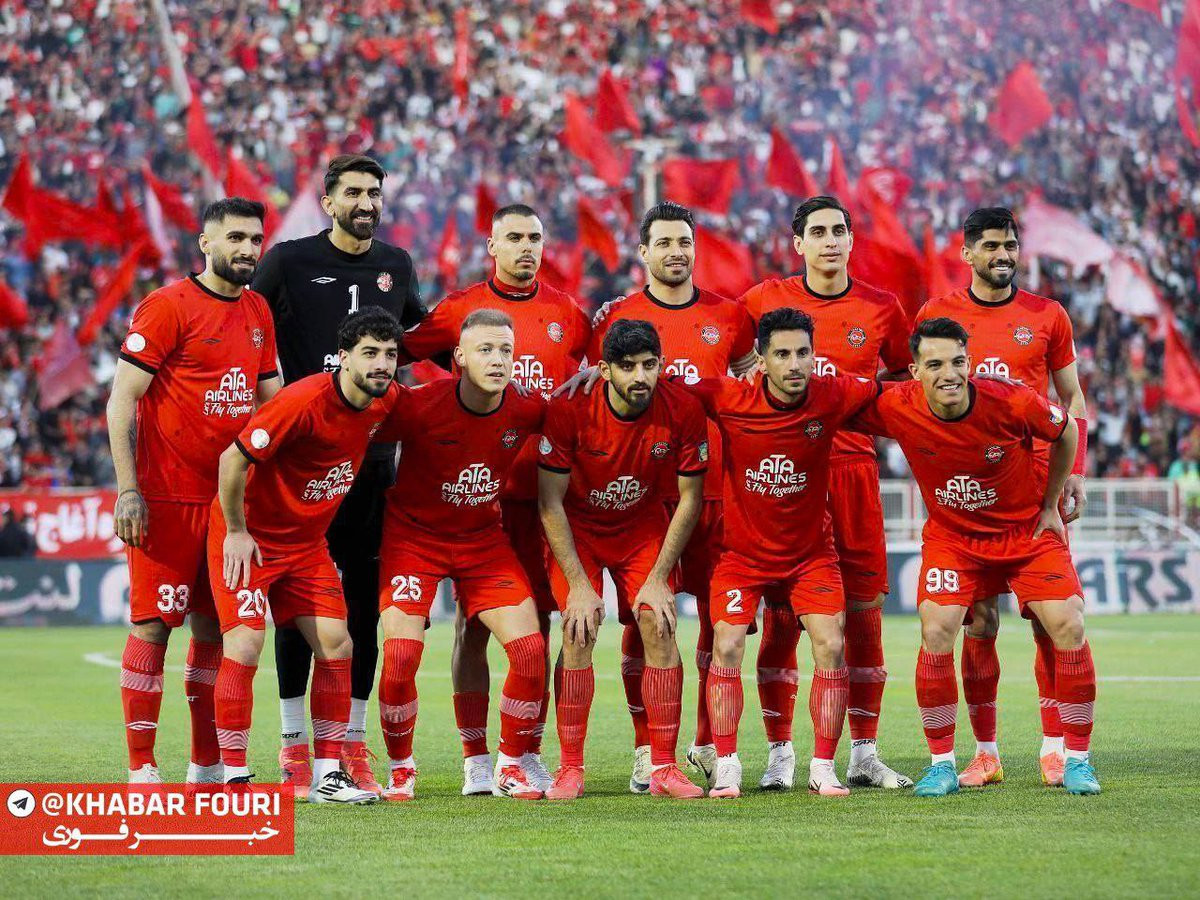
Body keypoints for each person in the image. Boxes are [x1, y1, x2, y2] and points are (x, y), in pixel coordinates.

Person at [849, 317, 1099, 797]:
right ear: (914, 371)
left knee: (1068, 623)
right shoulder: (896, 404)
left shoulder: (1011, 399)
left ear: (970, 362)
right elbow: (832, 399)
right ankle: (943, 764)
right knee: (937, 629)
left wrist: (1051, 504)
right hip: (955, 539)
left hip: (1025, 533)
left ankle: (1077, 760)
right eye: (935, 365)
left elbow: (1066, 430)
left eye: (958, 362)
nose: (949, 374)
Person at [397, 203, 591, 795]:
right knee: (472, 627)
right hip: (481, 502)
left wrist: (594, 376)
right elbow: (398, 354)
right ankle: (475, 758)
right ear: (492, 245)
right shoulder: (458, 309)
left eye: (535, 237)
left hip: (545, 498)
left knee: (542, 627)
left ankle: (525, 752)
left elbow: (596, 374)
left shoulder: (568, 313)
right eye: (514, 237)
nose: (526, 247)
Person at [251, 154, 427, 797]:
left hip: (373, 465)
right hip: (301, 466)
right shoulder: (288, 260)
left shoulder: (396, 265)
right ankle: (293, 744)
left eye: (374, 193)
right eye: (353, 192)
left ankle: (350, 743)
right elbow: (245, 326)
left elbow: (421, 337)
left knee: (358, 608)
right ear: (328, 202)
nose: (366, 202)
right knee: (299, 609)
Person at [577, 201, 758, 793]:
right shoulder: (616, 317)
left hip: (720, 491)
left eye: (685, 242)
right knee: (644, 622)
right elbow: (593, 389)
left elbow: (752, 386)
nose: (676, 252)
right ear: (643, 252)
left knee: (717, 622)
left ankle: (705, 742)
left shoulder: (729, 316)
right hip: (649, 500)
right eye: (664, 243)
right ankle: (645, 749)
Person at [737, 196, 913, 789]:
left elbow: (905, 380)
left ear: (851, 240)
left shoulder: (882, 307)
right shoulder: (762, 301)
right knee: (783, 617)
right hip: (784, 476)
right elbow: (721, 354)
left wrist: (866, 397)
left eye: (840, 230)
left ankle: (864, 752)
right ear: (799, 244)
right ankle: (780, 753)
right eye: (819, 232)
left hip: (853, 471)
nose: (831, 240)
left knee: (863, 616)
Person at [106, 198, 280, 787]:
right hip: (166, 500)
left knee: (213, 632)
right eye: (235, 237)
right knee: (154, 626)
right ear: (205, 243)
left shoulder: (258, 310)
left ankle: (205, 765)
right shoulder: (167, 306)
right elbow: (122, 401)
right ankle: (141, 766)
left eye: (255, 239)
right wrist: (128, 491)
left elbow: (272, 405)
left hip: (229, 506)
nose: (248, 249)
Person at [915, 207, 1088, 788]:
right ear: (967, 252)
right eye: (991, 246)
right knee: (979, 621)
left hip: (1036, 492)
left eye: (1010, 245)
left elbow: (1072, 398)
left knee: (1048, 619)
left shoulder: (1047, 315)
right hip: (968, 497)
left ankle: (1055, 748)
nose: (1003, 255)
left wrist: (1074, 473)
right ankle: (985, 753)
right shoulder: (937, 315)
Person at [680, 307, 882, 798]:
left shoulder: (832, 394)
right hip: (742, 557)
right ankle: (728, 764)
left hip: (811, 556)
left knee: (831, 643)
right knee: (728, 643)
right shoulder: (729, 397)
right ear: (761, 360)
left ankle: (822, 767)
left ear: (815, 356)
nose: (795, 364)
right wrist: (591, 380)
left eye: (803, 353)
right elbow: (658, 392)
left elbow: (897, 395)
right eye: (783, 354)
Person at [208, 307, 403, 804]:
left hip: (306, 545)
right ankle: (233, 777)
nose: (382, 364)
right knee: (245, 645)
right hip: (251, 538)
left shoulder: (385, 402)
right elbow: (232, 459)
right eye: (370, 353)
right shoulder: (302, 401)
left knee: (338, 644)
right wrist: (236, 530)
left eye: (389, 354)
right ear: (343, 357)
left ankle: (326, 775)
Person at [372, 309, 548, 801]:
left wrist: (588, 382)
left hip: (482, 542)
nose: (498, 360)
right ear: (459, 358)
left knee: (530, 651)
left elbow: (581, 418)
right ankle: (401, 768)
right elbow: (354, 424)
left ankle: (507, 766)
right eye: (485, 350)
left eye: (506, 351)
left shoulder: (527, 409)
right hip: (413, 541)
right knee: (401, 654)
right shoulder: (418, 406)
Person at [539, 319, 708, 800]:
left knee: (659, 622)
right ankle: (570, 768)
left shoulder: (682, 408)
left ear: (661, 364)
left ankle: (664, 768)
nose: (640, 376)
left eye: (649, 365)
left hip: (642, 528)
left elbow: (690, 498)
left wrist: (658, 577)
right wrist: (578, 584)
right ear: (604, 369)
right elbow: (549, 501)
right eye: (628, 367)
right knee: (578, 628)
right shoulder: (569, 408)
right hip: (581, 530)